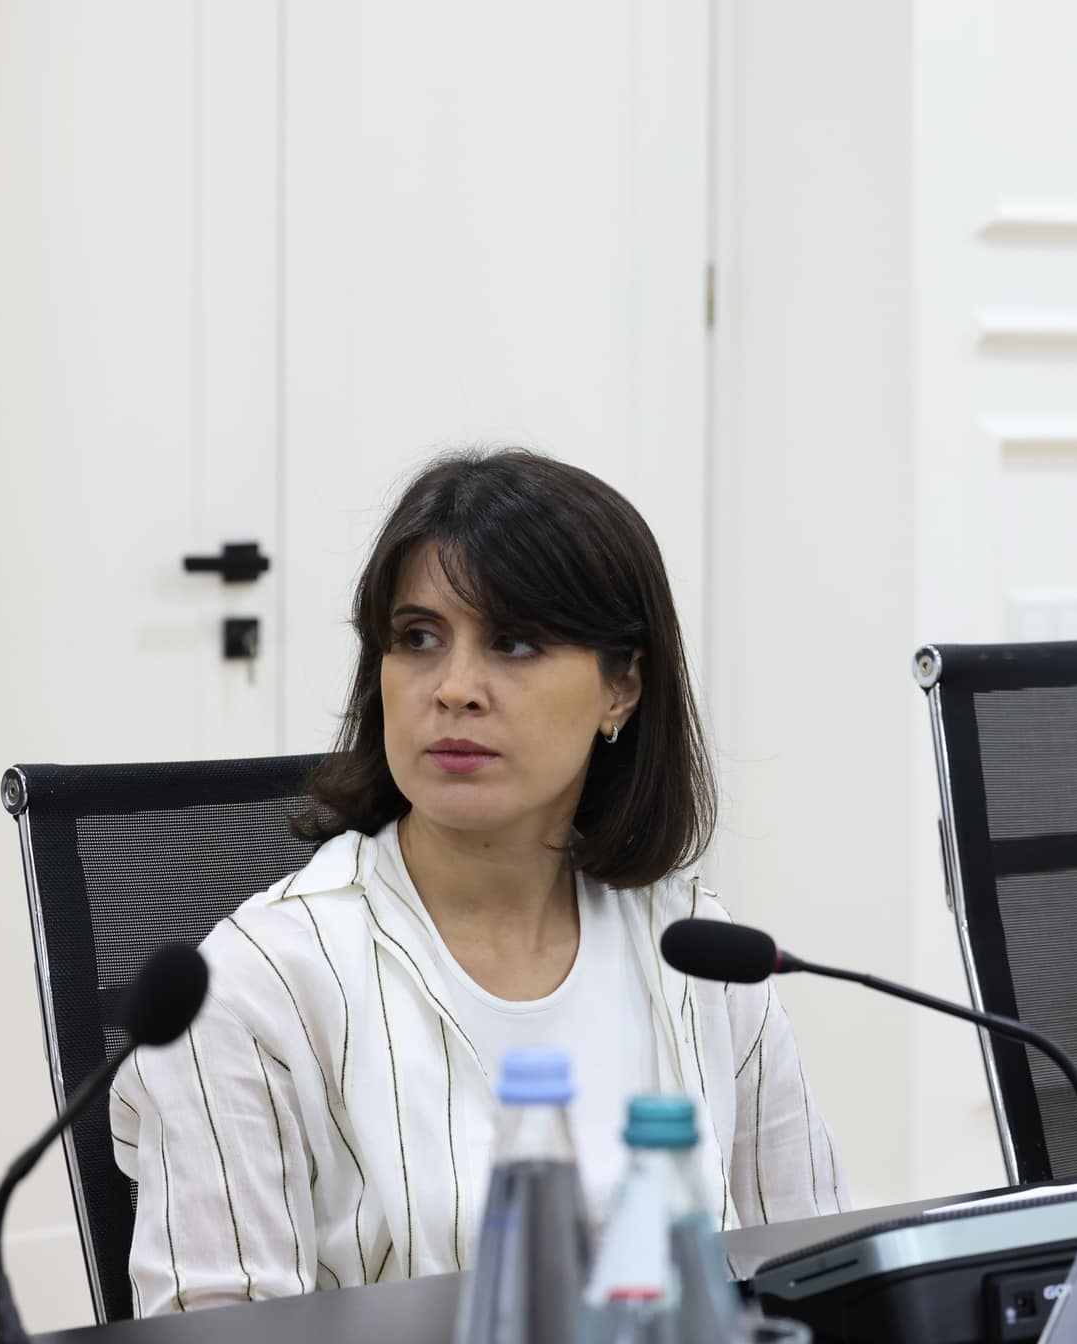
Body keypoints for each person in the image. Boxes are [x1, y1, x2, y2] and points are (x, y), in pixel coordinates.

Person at [110, 449, 846, 1313]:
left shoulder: (699, 953)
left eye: (515, 642)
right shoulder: (254, 987)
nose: (455, 688)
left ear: (622, 688)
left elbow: (817, 1275)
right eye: (418, 638)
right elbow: (216, 1330)